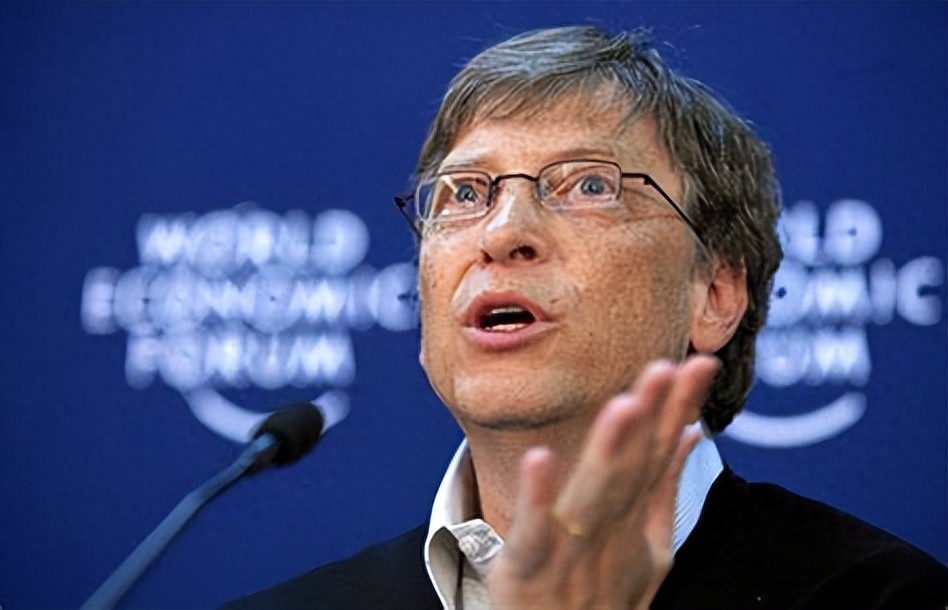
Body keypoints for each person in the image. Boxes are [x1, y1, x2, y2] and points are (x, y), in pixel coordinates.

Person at [226, 25, 946, 609]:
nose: (502, 232)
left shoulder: (880, 599)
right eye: (465, 193)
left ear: (716, 294)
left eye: (590, 185)